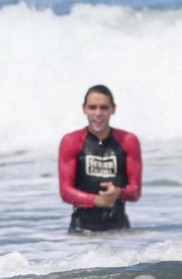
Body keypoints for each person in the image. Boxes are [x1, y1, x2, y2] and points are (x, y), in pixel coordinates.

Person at [58, 84, 141, 233]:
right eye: (92, 107)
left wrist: (118, 193)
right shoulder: (71, 141)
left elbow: (135, 192)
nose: (98, 113)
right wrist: (96, 200)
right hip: (80, 233)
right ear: (84, 109)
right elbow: (65, 193)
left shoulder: (128, 140)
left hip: (121, 232)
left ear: (113, 109)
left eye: (104, 108)